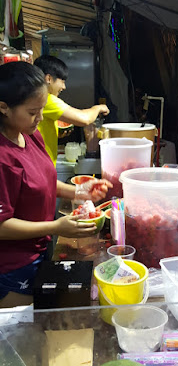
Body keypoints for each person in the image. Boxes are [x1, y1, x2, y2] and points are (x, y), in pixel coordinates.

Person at [0, 62, 112, 308]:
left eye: (41, 110)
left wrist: (80, 191)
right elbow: (2, 225)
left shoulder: (31, 134)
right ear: (4, 108)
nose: (39, 118)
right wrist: (55, 226)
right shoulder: (2, 158)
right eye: (32, 112)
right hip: (13, 268)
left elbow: (43, 182)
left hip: (38, 252)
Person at [34, 55, 110, 165]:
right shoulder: (46, 98)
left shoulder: (35, 97)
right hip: (41, 165)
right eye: (62, 81)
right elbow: (84, 119)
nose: (64, 87)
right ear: (49, 79)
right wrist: (98, 107)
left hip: (42, 163)